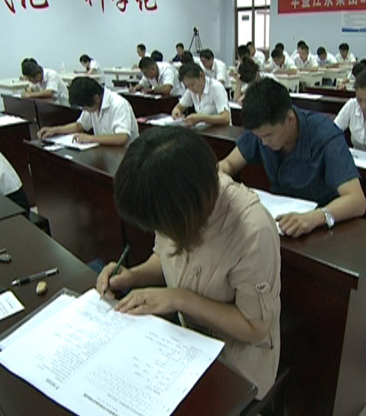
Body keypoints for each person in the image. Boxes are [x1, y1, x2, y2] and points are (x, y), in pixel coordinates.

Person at [97, 127, 281, 398]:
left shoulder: (252, 230)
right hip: (186, 341)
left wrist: (178, 298)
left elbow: (255, 328)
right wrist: (132, 276)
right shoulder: (175, 199)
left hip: (237, 363)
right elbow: (166, 256)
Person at [218, 78, 366, 237]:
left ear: (290, 119)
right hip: (279, 225)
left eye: (268, 136)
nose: (264, 142)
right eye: (259, 136)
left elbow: (357, 200)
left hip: (320, 230)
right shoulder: (263, 128)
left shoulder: (325, 135)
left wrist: (314, 218)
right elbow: (228, 164)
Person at [37, 77, 138, 146]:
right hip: (106, 150)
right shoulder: (93, 104)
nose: (85, 110)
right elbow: (80, 125)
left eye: (85, 108)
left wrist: (90, 138)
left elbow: (122, 138)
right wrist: (55, 130)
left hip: (126, 154)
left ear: (96, 98)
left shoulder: (118, 104)